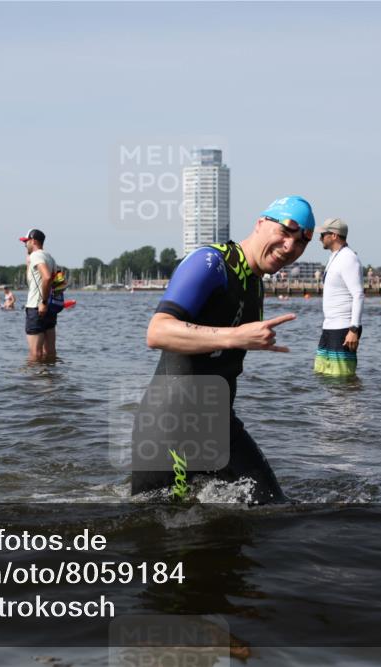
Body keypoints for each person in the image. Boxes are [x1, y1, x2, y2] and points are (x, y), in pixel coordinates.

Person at [130, 195, 316, 504]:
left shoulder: (256, 283)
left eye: (301, 242)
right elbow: (157, 331)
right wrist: (235, 337)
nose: (290, 246)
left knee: (273, 507)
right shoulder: (210, 263)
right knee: (161, 529)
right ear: (260, 223)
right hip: (171, 426)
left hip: (218, 424)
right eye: (285, 231)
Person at [314, 218, 364, 377]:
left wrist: (353, 329)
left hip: (344, 328)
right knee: (322, 373)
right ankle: (328, 403)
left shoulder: (348, 258)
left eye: (323, 234)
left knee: (341, 377)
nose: (319, 238)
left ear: (334, 235)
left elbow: (358, 294)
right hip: (329, 326)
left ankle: (349, 403)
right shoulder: (335, 257)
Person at [20, 228, 58, 362]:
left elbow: (47, 277)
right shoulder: (50, 257)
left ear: (33, 241)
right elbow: (59, 282)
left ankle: (33, 382)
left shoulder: (35, 256)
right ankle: (49, 380)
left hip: (37, 307)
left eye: (26, 242)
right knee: (50, 351)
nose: (25, 245)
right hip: (49, 308)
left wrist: (42, 302)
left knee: (35, 354)